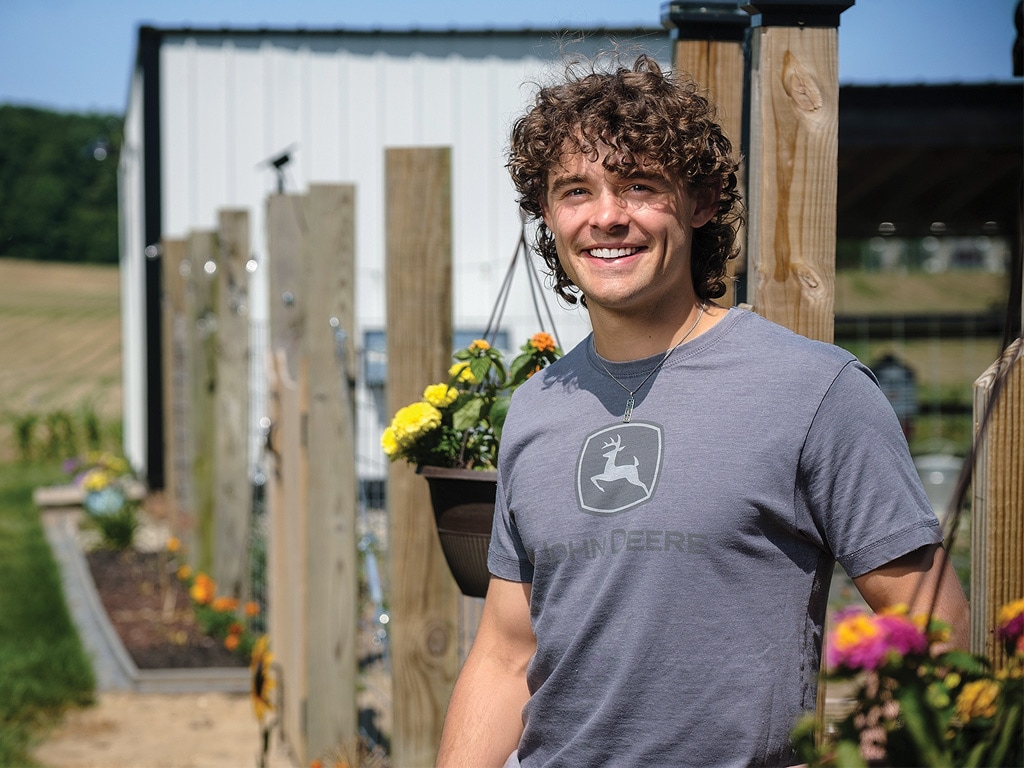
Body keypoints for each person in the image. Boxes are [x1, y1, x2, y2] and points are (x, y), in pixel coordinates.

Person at [436, 54, 969, 768]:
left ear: (703, 201)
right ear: (548, 216)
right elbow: (505, 654)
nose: (606, 216)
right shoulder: (536, 408)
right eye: (574, 191)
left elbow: (934, 626)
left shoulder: (813, 389)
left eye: (639, 186)